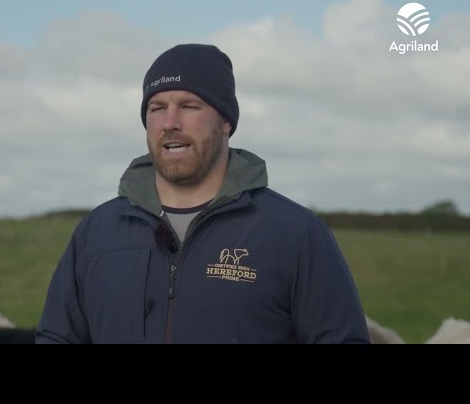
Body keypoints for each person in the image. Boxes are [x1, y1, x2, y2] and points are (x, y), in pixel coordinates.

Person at [35, 43, 371, 344]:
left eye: (189, 106)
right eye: (156, 107)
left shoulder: (295, 235)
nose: (170, 122)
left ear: (225, 121)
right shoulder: (96, 234)